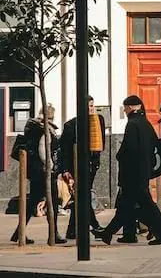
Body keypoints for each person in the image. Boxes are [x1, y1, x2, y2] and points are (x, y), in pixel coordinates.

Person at [100, 95, 161, 245]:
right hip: (143, 171)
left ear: (132, 107)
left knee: (145, 206)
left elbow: (130, 149)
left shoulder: (132, 124)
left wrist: (119, 155)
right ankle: (108, 234)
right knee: (126, 206)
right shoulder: (146, 124)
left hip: (132, 174)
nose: (125, 110)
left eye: (126, 107)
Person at [11, 104, 66, 245]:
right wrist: (51, 167)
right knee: (53, 202)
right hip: (45, 172)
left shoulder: (33, 127)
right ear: (51, 116)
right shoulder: (45, 129)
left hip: (35, 172)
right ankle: (53, 234)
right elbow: (44, 151)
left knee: (32, 202)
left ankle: (19, 233)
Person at [60, 96, 105, 239]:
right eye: (88, 107)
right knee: (82, 195)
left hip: (92, 165)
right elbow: (65, 150)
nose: (91, 109)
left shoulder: (99, 121)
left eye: (92, 106)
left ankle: (73, 230)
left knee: (81, 196)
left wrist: (96, 162)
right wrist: (66, 169)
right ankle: (93, 225)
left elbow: (100, 142)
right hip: (76, 166)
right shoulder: (71, 126)